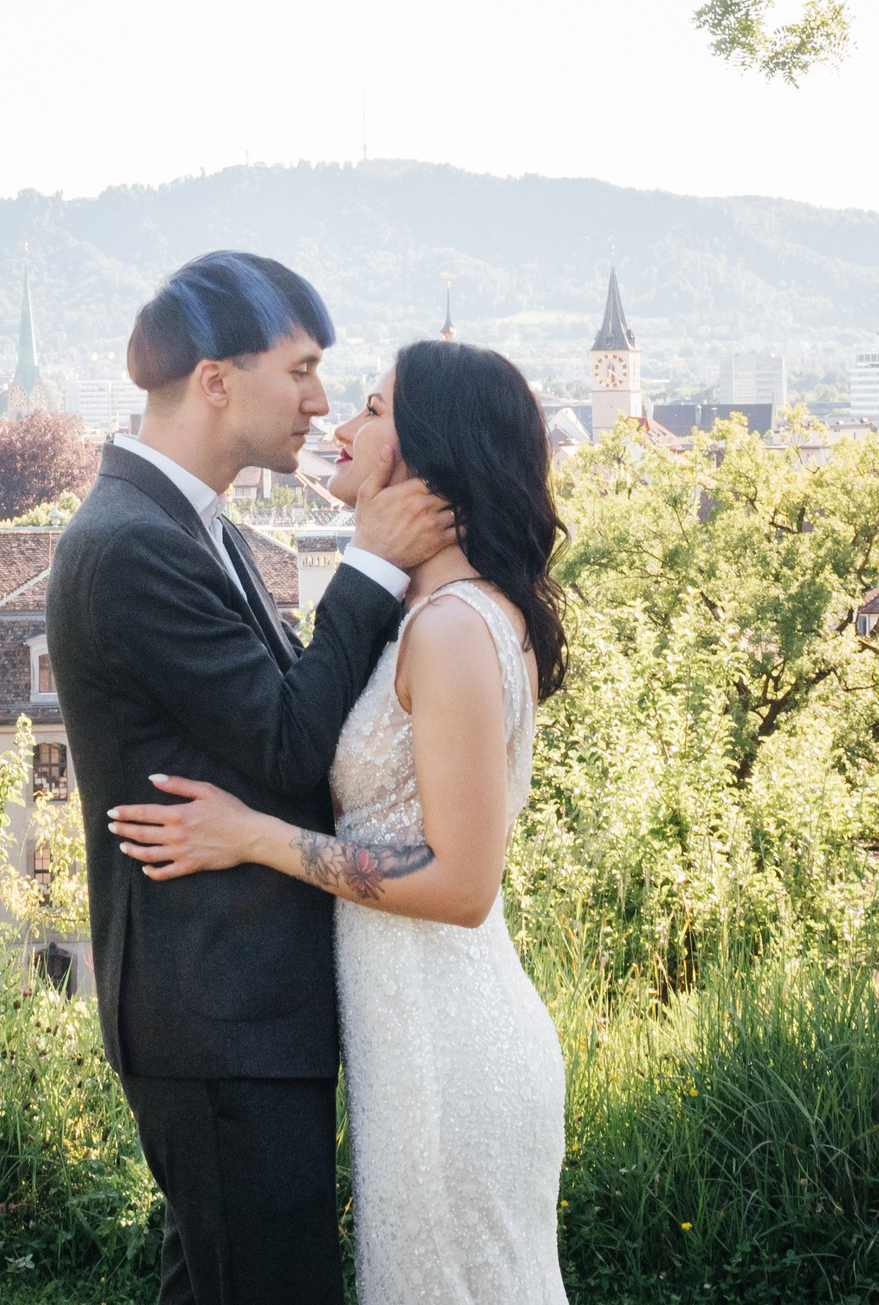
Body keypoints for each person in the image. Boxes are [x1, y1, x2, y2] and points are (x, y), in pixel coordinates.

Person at [108, 336, 572, 1305]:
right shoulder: (426, 610)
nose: (340, 423)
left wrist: (252, 835)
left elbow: (459, 881)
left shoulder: (450, 627)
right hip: (409, 1040)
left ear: (427, 447)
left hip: (452, 1046)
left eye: (370, 404)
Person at [46, 252, 456, 1305]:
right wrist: (368, 563)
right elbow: (284, 741)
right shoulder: (131, 542)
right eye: (304, 369)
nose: (321, 403)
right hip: (215, 1006)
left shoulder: (197, 523)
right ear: (217, 378)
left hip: (239, 1005)